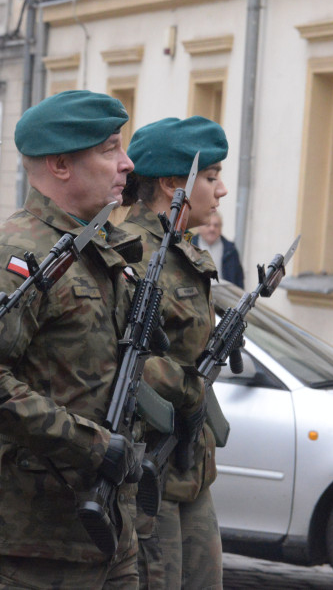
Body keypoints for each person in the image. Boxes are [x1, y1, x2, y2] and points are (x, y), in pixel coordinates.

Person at [0, 90, 144, 588]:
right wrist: (91, 445)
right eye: (109, 150)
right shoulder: (15, 252)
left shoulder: (95, 248)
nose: (126, 164)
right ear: (60, 165)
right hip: (33, 537)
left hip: (106, 526)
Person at [120, 116, 228, 589]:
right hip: (149, 469)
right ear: (171, 183)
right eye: (210, 177)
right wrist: (188, 386)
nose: (220, 190)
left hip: (192, 470)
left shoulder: (186, 252)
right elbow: (123, 359)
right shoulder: (132, 255)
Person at [193, 212, 244, 288]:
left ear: (221, 228)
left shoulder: (230, 250)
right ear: (199, 228)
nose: (212, 229)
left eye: (216, 225)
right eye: (208, 225)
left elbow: (238, 279)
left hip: (223, 296)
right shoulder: (189, 246)